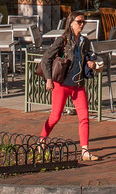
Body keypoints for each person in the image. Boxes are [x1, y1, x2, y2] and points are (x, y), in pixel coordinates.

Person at [39, 10, 99, 161]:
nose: (82, 24)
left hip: (78, 84)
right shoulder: (63, 40)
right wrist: (48, 79)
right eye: (79, 21)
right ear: (71, 23)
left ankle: (85, 151)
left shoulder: (85, 41)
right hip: (62, 84)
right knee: (55, 116)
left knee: (84, 117)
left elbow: (86, 56)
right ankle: (42, 140)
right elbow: (46, 58)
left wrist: (90, 62)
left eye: (83, 22)